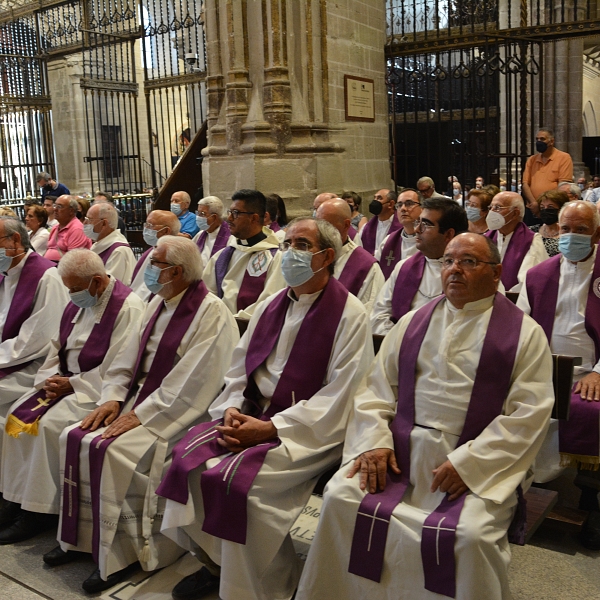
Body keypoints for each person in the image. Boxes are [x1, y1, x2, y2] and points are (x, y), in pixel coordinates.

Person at [297, 233, 554, 600]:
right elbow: (375, 391)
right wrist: (373, 443)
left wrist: (469, 464)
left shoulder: (524, 335)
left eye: (468, 262)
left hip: (472, 461)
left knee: (469, 535)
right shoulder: (413, 322)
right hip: (400, 451)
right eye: (448, 261)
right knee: (340, 498)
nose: (454, 270)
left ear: (496, 273)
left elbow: (528, 414)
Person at [158, 217, 373, 600]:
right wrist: (232, 407)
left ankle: (271, 583)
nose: (290, 251)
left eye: (302, 245)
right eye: (288, 242)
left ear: (326, 256)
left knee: (241, 489)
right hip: (252, 412)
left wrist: (271, 428)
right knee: (182, 463)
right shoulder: (272, 303)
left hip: (308, 429)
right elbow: (240, 366)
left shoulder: (350, 314)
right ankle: (216, 562)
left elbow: (342, 393)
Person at [52, 236, 239, 593]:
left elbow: (196, 380)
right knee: (74, 436)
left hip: (180, 410)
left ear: (178, 272)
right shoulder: (157, 302)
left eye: (156, 263)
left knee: (117, 453)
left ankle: (124, 555)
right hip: (139, 399)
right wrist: (112, 397)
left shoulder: (211, 313)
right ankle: (81, 541)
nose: (148, 269)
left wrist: (142, 414)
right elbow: (125, 358)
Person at [0, 250, 145, 544]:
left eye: (75, 289)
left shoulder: (128, 307)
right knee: (14, 416)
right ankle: (12, 498)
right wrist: (49, 379)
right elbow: (57, 345)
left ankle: (38, 512)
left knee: (47, 428)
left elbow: (120, 365)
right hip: (65, 383)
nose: (71, 294)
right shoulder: (79, 300)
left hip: (95, 392)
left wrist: (74, 384)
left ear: (96, 281)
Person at [517, 200, 600, 549]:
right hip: (543, 366)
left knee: (590, 413)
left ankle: (589, 499)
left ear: (595, 233)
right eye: (566, 229)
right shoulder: (539, 274)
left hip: (590, 373)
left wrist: (598, 372)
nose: (572, 236)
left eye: (581, 229)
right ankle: (518, 484)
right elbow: (518, 327)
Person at [0, 218, 69, 416]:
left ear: (14, 240)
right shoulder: (5, 272)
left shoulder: (46, 277)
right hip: (9, 354)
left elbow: (36, 340)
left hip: (34, 363)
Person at [371, 198, 468, 335]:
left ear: (448, 234)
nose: (417, 229)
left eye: (426, 225)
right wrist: (400, 341)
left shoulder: (472, 274)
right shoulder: (403, 267)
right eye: (418, 222)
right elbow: (378, 315)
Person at [202, 189, 285, 319]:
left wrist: (233, 323)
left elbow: (270, 302)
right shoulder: (222, 256)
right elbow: (205, 295)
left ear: (254, 218)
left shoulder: (276, 258)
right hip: (218, 327)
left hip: (252, 330)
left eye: (235, 213)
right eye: (230, 212)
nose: (228, 218)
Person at [316, 198, 384, 313]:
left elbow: (368, 316)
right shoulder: (313, 255)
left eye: (326, 226)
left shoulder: (367, 268)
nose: (319, 231)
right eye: (317, 224)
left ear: (346, 225)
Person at [485, 192, 549, 291]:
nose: (491, 212)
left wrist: (502, 299)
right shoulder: (486, 238)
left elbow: (529, 282)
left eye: (497, 207)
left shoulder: (531, 241)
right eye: (491, 207)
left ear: (515, 213)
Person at [130, 210, 181, 301]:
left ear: (166, 231)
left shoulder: (173, 259)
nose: (146, 228)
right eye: (146, 224)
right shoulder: (152, 250)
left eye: (150, 225)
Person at [84, 203, 136, 285]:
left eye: (89, 220)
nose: (84, 223)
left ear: (104, 223)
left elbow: (109, 288)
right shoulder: (99, 244)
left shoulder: (118, 251)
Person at [375, 188, 422, 279]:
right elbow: (377, 276)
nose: (403, 209)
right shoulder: (388, 242)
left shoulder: (430, 241)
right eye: (399, 205)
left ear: (422, 209)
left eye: (409, 204)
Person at [522, 128, 573, 207]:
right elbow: (525, 184)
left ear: (551, 141)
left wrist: (547, 204)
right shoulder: (532, 159)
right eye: (537, 139)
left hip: (552, 207)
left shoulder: (564, 157)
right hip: (532, 206)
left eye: (542, 139)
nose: (539, 142)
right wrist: (534, 203)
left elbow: (563, 185)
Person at [45, 195, 92, 262]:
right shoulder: (55, 228)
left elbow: (73, 260)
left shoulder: (77, 229)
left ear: (71, 211)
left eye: (59, 207)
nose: (55, 209)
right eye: (55, 205)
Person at [192, 196, 234, 267]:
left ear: (214, 217)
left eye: (202, 214)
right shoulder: (200, 235)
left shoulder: (231, 238)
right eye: (197, 213)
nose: (198, 217)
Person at [355, 189, 401, 255]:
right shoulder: (366, 228)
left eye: (379, 198)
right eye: (374, 198)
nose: (374, 201)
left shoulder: (401, 227)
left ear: (391, 204)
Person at [528, 190, 569, 257]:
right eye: (542, 207)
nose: (545, 210)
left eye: (550, 207)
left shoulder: (567, 234)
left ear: (561, 209)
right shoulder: (531, 231)